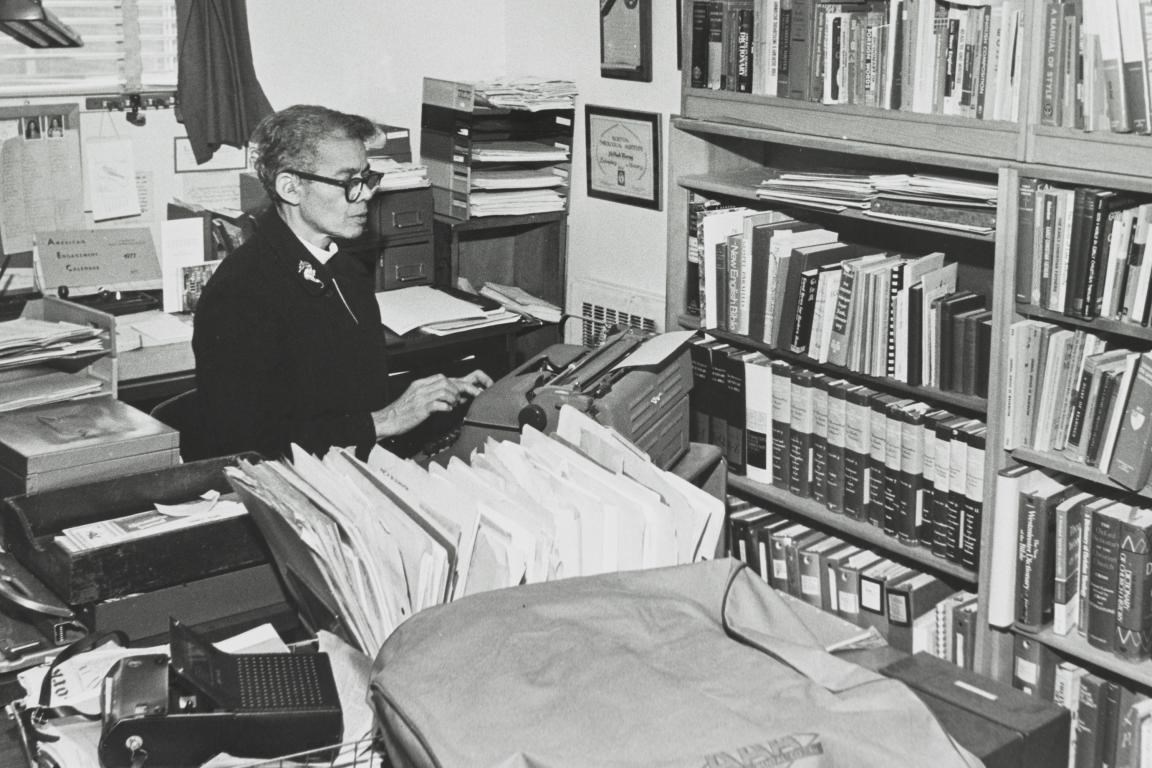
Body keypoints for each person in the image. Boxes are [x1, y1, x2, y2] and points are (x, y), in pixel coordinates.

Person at [193, 105, 491, 460]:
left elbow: (348, 394)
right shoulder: (240, 293)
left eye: (366, 178)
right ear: (291, 188)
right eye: (348, 181)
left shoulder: (345, 270)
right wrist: (387, 420)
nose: (365, 194)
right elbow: (249, 444)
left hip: (351, 464)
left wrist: (437, 392)